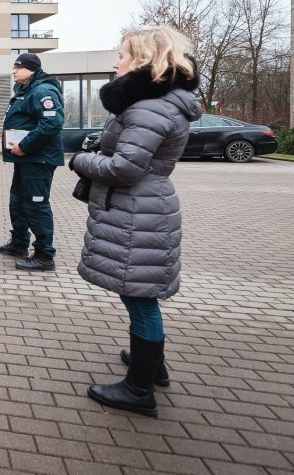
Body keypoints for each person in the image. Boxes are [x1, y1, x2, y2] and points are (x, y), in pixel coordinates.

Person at [70, 26, 200, 417]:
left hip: (137, 211)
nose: (116, 61)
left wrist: (80, 160)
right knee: (138, 292)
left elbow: (124, 167)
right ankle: (150, 363)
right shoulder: (157, 101)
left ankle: (139, 388)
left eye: (123, 54)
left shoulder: (148, 107)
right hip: (141, 209)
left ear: (144, 59)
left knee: (139, 296)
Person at [0, 53, 65, 271]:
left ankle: (44, 256)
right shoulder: (25, 91)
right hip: (26, 160)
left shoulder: (43, 91)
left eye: (18, 67)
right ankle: (19, 244)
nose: (14, 71)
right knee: (18, 201)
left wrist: (24, 146)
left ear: (31, 69)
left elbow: (52, 124)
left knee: (36, 204)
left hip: (38, 159)